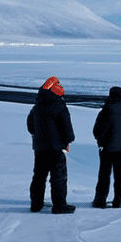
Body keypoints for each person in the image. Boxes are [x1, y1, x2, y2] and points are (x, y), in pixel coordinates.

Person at [27, 76, 76, 214]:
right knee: (58, 177)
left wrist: (39, 136)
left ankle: (36, 204)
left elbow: (30, 125)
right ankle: (59, 205)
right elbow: (67, 127)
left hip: (40, 148)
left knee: (39, 176)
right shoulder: (60, 105)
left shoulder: (37, 106)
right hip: (56, 148)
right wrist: (68, 140)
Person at [91, 86, 121, 209]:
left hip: (107, 146)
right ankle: (119, 201)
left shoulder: (107, 109)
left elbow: (99, 129)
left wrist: (100, 139)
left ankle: (100, 201)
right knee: (120, 173)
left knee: (104, 174)